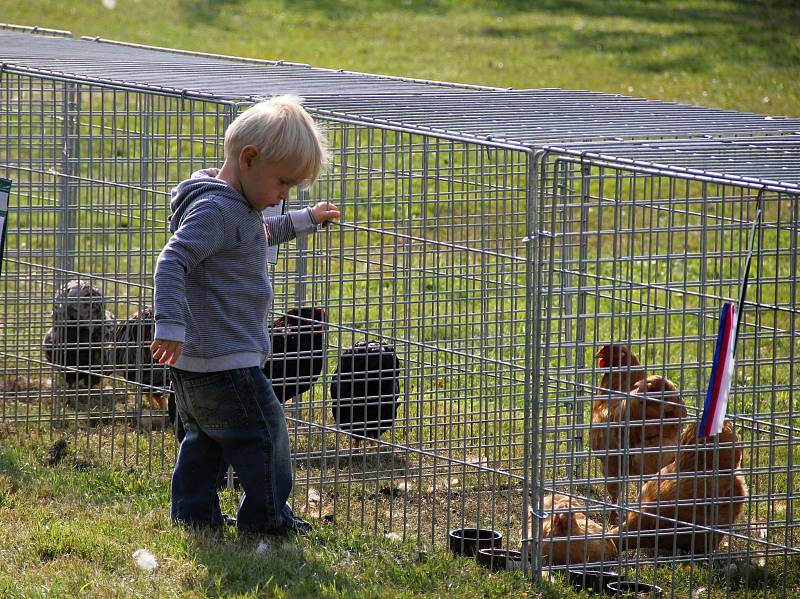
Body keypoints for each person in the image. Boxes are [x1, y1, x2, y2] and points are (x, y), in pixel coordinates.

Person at [150, 96, 340, 536]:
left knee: (206, 441)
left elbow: (256, 233)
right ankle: (267, 520)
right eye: (283, 184)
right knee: (266, 435)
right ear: (250, 159)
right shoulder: (219, 210)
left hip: (194, 364)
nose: (284, 195)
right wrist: (169, 325)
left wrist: (304, 219)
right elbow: (172, 260)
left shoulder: (228, 205)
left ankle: (194, 515)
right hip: (227, 360)